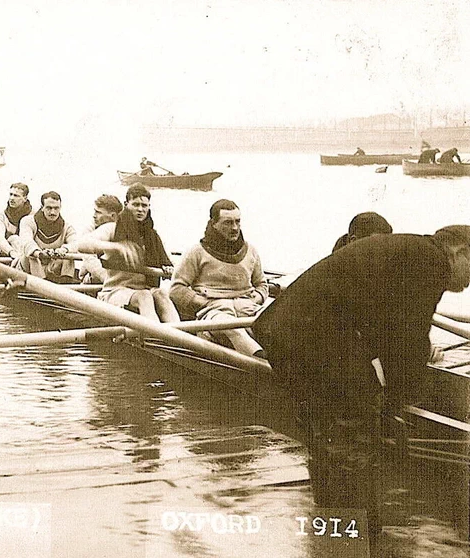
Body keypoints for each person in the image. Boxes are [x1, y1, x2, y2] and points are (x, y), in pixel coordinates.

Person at [252, 225, 470, 537]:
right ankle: (361, 533)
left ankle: (334, 524)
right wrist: (395, 403)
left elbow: (384, 326)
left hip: (287, 330)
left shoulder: (410, 250)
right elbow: (407, 338)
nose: (468, 282)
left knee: (325, 430)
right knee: (353, 428)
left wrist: (391, 394)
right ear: (460, 251)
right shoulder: (432, 262)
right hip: (313, 336)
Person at [168, 199, 268, 358]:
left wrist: (257, 298)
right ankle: (260, 364)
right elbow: (176, 290)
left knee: (279, 322)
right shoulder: (197, 252)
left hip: (248, 307)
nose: (234, 228)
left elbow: (262, 284)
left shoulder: (251, 251)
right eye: (227, 223)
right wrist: (205, 302)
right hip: (215, 312)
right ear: (214, 224)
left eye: (237, 222)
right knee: (234, 329)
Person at [76, 184, 178, 322]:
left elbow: (169, 261)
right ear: (126, 205)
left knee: (161, 294)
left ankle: (176, 338)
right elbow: (82, 245)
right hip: (115, 291)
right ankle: (154, 337)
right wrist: (116, 247)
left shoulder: (152, 235)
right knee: (145, 296)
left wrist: (168, 267)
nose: (140, 209)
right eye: (136, 204)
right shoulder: (112, 228)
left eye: (144, 205)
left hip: (145, 290)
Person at [17, 191, 78, 282]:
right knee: (31, 254)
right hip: (28, 268)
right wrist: (39, 253)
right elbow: (27, 242)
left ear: (60, 208)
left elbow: (75, 243)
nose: (53, 212)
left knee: (70, 255)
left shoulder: (67, 227)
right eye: (49, 208)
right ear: (42, 208)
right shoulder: (28, 221)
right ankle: (40, 288)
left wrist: (63, 250)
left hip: (50, 268)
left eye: (56, 208)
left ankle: (66, 283)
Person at [76, 194, 122, 283]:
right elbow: (89, 260)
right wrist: (110, 280)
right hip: (97, 279)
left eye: (98, 212)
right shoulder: (89, 231)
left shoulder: (125, 230)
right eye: (95, 211)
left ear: (113, 216)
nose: (94, 216)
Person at [0, 182, 32, 259]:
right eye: (11, 194)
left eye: (16, 196)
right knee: (14, 238)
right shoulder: (0, 215)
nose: (12, 198)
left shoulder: (32, 215)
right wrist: (11, 252)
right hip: (3, 254)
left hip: (26, 254)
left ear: (25, 198)